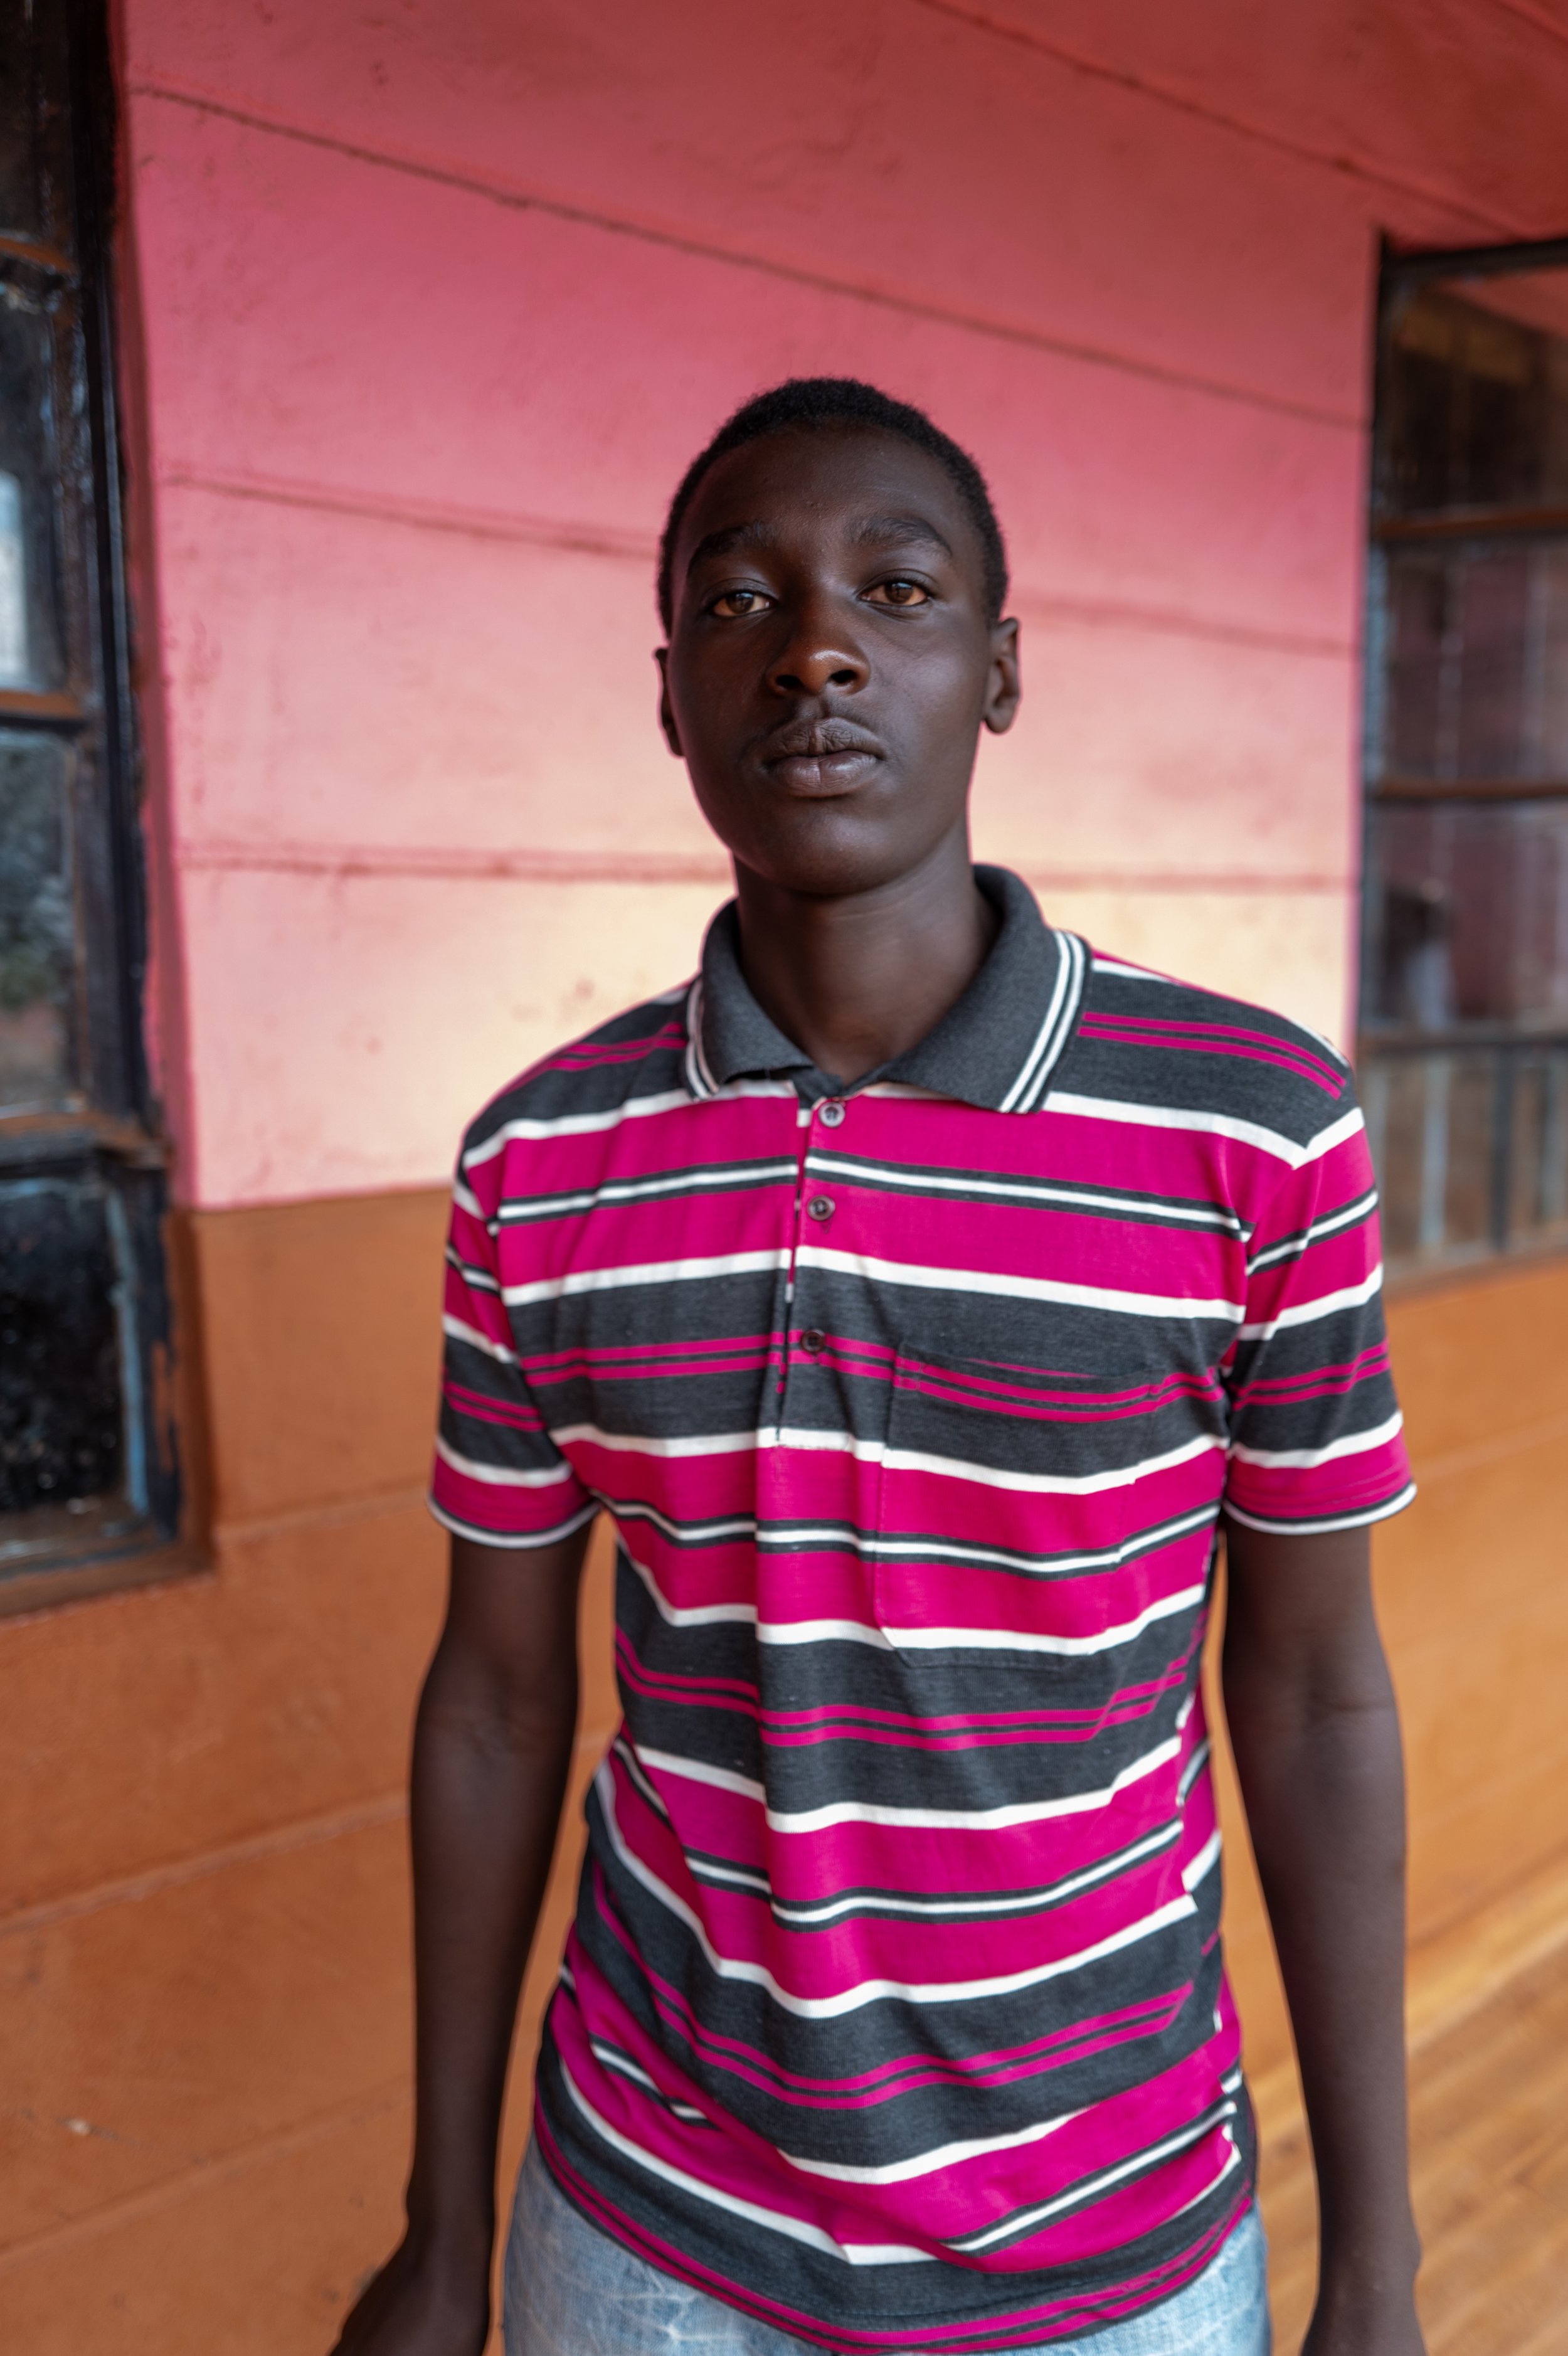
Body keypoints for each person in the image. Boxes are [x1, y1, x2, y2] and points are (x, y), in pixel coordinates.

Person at [332, 379, 1424, 2356]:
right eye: (738, 600)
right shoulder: (542, 1160)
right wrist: (439, 2227)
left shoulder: (1251, 1129)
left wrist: (1376, 2267)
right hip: (647, 2219)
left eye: (894, 591)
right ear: (670, 698)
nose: (815, 648)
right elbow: (494, 1699)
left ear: (997, 671)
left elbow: (1315, 1688)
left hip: (1109, 2234)